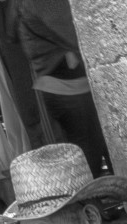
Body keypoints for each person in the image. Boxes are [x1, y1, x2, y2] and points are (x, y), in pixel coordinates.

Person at [15, 0, 111, 177]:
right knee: (89, 158)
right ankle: (88, 203)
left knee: (96, 153)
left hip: (70, 88)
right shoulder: (41, 4)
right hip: (69, 91)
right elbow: (76, 34)